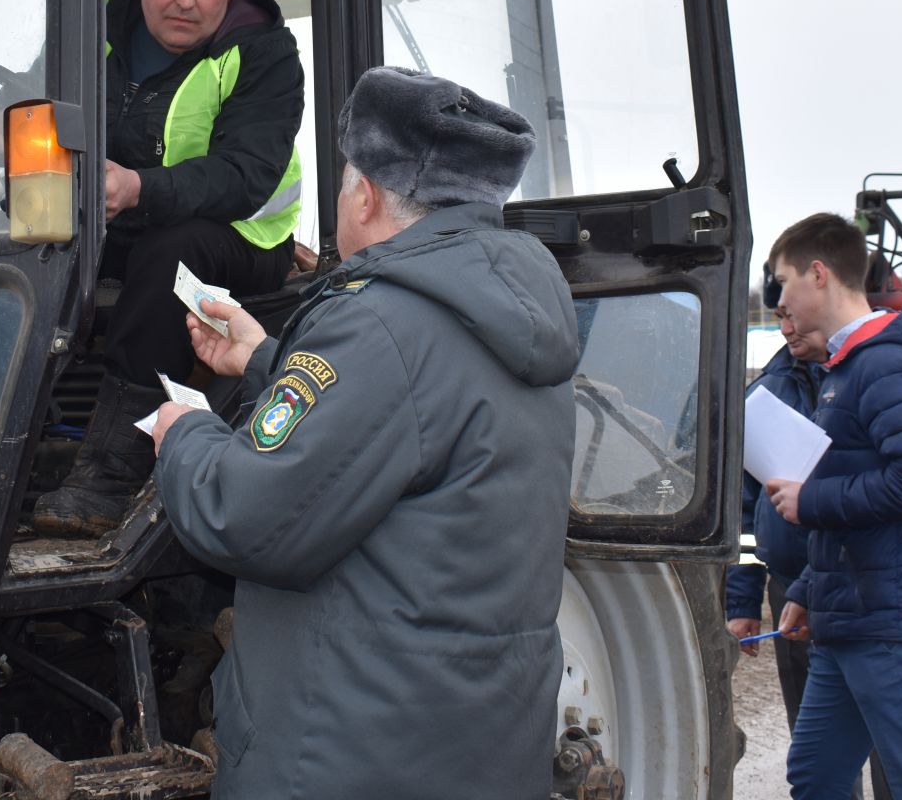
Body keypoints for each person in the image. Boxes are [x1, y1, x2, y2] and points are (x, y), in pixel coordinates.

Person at [147, 67, 579, 800]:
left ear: (367, 196)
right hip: (469, 748)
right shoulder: (502, 303)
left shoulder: (377, 320)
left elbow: (247, 516)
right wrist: (263, 360)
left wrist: (183, 435)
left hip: (347, 757)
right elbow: (398, 422)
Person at [32, 0, 304, 537]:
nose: (186, 0)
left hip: (242, 238)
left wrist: (136, 188)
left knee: (172, 252)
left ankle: (109, 470)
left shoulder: (264, 53)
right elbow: (32, 92)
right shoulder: (90, 15)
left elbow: (244, 176)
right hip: (122, 220)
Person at [766, 213, 902, 800]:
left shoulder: (885, 362)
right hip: (850, 612)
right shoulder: (846, 367)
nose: (781, 299)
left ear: (819, 274)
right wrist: (809, 588)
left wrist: (812, 500)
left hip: (891, 620)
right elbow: (859, 489)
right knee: (817, 775)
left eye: (784, 283)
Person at [728, 296, 893, 800]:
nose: (784, 328)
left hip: (872, 587)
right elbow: (746, 510)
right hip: (795, 591)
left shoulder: (879, 380)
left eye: (790, 313)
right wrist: (741, 602)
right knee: (818, 747)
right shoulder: (765, 394)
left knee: (892, 745)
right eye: (777, 316)